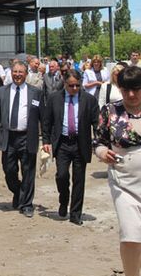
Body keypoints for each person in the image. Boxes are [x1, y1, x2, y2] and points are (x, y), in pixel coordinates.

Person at [94, 66, 141, 276]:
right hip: (124, 181)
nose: (131, 95)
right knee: (131, 234)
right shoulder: (110, 110)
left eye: (136, 89)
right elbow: (98, 142)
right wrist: (102, 152)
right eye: (126, 90)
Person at [42, 69, 99, 225]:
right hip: (62, 143)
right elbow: (47, 121)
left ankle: (75, 214)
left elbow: (96, 123)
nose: (74, 88)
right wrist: (46, 141)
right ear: (65, 83)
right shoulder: (54, 98)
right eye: (71, 85)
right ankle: (63, 199)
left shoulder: (89, 100)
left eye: (77, 85)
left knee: (79, 180)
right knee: (62, 176)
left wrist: (99, 142)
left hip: (81, 143)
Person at [0, 61, 44, 218]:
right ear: (11, 73)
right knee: (9, 170)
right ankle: (19, 192)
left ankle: (27, 204)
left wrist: (47, 138)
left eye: (21, 72)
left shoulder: (35, 92)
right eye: (15, 72)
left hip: (28, 137)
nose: (17, 75)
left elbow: (43, 116)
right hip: (8, 137)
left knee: (28, 171)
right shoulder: (2, 92)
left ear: (26, 74)